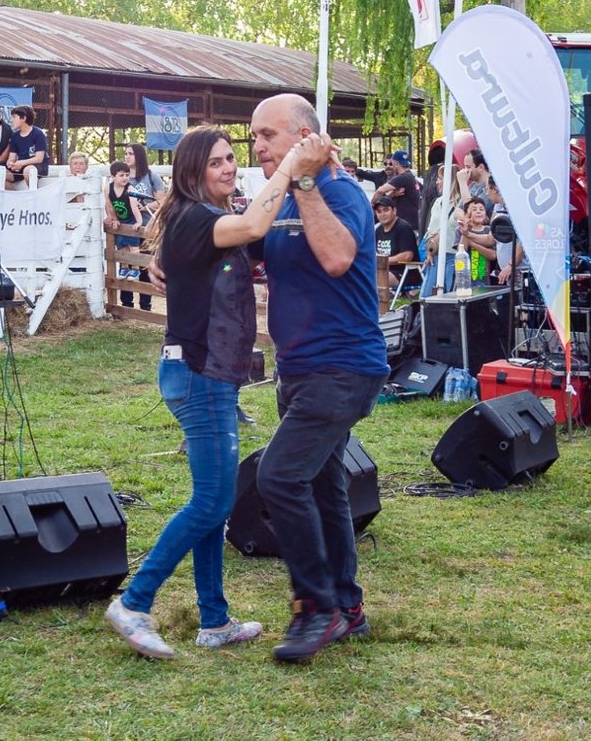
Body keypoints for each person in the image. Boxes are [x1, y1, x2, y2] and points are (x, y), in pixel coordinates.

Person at [104, 124, 327, 659]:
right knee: (211, 501)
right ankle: (134, 603)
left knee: (214, 498)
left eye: (231, 158)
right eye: (216, 162)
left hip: (209, 375)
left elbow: (250, 235)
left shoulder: (203, 219)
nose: (228, 167)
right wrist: (294, 165)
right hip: (198, 375)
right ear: (192, 172)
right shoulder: (196, 218)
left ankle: (215, 620)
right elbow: (253, 224)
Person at [249, 93, 388, 663]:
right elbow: (241, 243)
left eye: (268, 135)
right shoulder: (281, 197)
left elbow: (336, 258)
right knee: (325, 486)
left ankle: (315, 607)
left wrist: (304, 181)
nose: (258, 147)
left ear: (305, 137)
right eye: (254, 137)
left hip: (344, 368)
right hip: (297, 370)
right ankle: (347, 607)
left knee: (279, 477)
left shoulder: (340, 192)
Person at [106, 160, 151, 311]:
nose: (125, 178)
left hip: (131, 219)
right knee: (121, 246)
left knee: (133, 246)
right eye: (121, 175)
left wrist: (138, 222)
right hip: (121, 219)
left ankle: (136, 267)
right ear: (113, 176)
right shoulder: (108, 188)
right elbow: (109, 205)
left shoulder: (130, 189)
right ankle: (125, 267)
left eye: (127, 175)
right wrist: (114, 219)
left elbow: (134, 207)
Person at [358, 150, 421, 229]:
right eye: (386, 164)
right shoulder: (411, 177)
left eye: (391, 163)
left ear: (396, 163)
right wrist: (391, 195)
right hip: (409, 224)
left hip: (405, 226)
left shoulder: (403, 177)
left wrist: (372, 204)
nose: (389, 166)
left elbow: (380, 190)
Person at [2, 105, 49, 189]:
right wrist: (11, 163)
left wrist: (21, 163)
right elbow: (12, 157)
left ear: (23, 118)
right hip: (20, 167)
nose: (12, 120)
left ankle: (34, 195)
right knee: (0, 173)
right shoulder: (15, 136)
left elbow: (39, 158)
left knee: (28, 171)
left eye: (14, 117)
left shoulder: (38, 134)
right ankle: (13, 195)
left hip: (37, 166)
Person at [373, 199, 417, 283]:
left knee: (372, 277)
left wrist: (383, 261)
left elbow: (407, 256)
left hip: (404, 273)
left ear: (394, 211)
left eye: (386, 210)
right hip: (384, 270)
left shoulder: (403, 228)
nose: (382, 214)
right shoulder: (378, 230)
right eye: (379, 211)